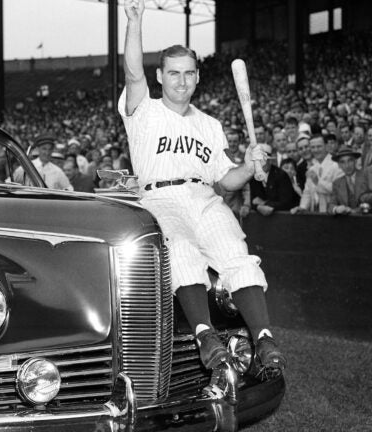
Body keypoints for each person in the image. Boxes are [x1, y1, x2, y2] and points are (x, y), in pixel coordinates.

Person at [119, 0, 284, 378]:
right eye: (173, 73)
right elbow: (131, 74)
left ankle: (264, 337)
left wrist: (249, 164)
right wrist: (135, 21)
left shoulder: (209, 124)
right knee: (181, 250)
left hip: (203, 197)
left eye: (188, 73)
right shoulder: (144, 110)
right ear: (160, 76)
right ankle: (204, 333)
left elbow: (226, 179)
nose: (181, 80)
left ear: (197, 77)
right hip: (160, 196)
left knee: (236, 255)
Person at [291, 134, 344, 213]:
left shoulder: (337, 165)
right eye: (313, 147)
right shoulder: (312, 168)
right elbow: (307, 192)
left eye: (319, 146)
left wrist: (318, 182)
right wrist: (302, 207)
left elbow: (339, 191)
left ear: (326, 146)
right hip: (315, 214)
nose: (315, 150)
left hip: (333, 213)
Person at [249, 145, 299, 216]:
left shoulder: (281, 175)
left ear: (269, 161)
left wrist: (264, 203)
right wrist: (258, 207)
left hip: (285, 218)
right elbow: (253, 200)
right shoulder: (254, 177)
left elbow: (286, 202)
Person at [328, 146, 361, 215]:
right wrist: (336, 209)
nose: (347, 165)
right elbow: (331, 205)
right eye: (342, 162)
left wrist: (354, 211)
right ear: (339, 165)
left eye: (350, 160)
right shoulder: (337, 183)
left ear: (355, 161)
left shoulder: (365, 176)